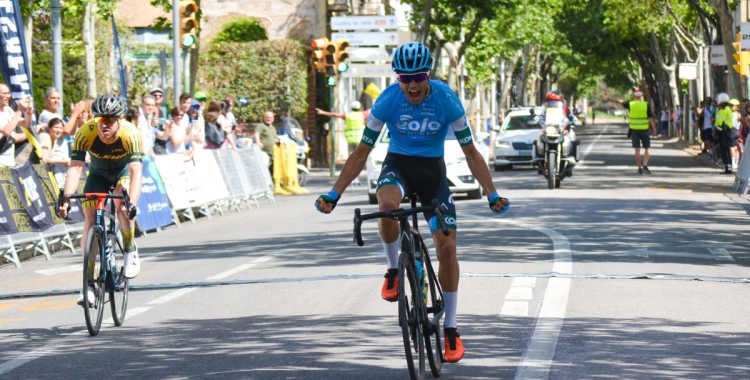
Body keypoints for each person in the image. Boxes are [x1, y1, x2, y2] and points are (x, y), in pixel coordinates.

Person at [314, 42, 510, 363]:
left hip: (433, 174)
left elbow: (471, 153)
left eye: (418, 76)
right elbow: (361, 153)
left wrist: (491, 193)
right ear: (397, 79)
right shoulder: (388, 100)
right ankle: (393, 269)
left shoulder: (446, 99)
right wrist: (334, 193)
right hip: (398, 167)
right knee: (387, 202)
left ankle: (450, 329)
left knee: (447, 249)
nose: (412, 85)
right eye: (405, 78)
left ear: (428, 74)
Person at [57, 94, 143, 305]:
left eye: (110, 119)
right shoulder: (85, 131)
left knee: (121, 205)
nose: (104, 123)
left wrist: (132, 202)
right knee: (89, 218)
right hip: (97, 173)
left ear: (119, 119)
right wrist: (66, 199)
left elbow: (136, 173)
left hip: (121, 172)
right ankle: (87, 284)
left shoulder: (130, 133)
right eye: (100, 118)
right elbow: (76, 168)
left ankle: (130, 249)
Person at [316, 101, 370, 185]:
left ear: (351, 108)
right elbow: (373, 110)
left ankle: (352, 179)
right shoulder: (362, 115)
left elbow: (335, 115)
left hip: (350, 140)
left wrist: (322, 112)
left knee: (352, 160)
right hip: (360, 140)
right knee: (360, 160)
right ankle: (357, 179)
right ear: (359, 108)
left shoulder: (347, 115)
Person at [607, 88, 656, 174]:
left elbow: (620, 101)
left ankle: (639, 168)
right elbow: (650, 118)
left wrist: (609, 99)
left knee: (637, 150)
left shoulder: (630, 104)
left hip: (634, 130)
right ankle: (645, 166)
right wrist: (654, 128)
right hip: (644, 130)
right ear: (641, 96)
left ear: (634, 96)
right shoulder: (645, 105)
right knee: (647, 148)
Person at [0, 84, 32, 167]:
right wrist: (19, 110)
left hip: (9, 162)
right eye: (4, 93)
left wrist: (29, 111)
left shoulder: (7, 110)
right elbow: (7, 132)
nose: (8, 96)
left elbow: (26, 124)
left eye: (8, 93)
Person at [714, 93, 736, 174]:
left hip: (723, 132)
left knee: (724, 150)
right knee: (727, 150)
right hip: (728, 132)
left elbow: (720, 122)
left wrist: (717, 131)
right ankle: (729, 167)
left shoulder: (722, 110)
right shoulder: (728, 109)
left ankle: (727, 168)